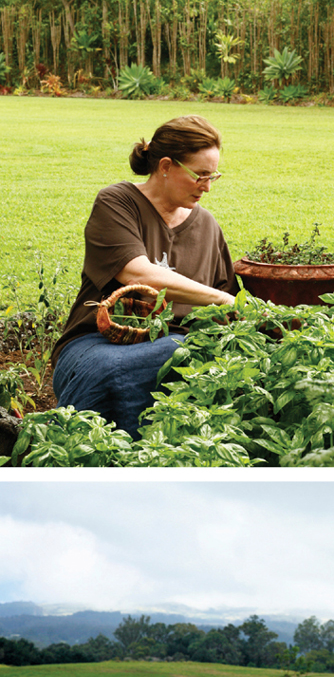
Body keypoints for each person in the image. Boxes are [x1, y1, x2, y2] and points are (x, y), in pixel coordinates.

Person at [52, 114, 237, 438]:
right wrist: (223, 299)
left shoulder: (207, 227)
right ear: (165, 166)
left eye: (214, 176)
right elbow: (138, 272)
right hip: (96, 344)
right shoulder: (117, 202)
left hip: (180, 349)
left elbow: (227, 314)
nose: (207, 187)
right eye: (200, 176)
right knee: (166, 355)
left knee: (187, 354)